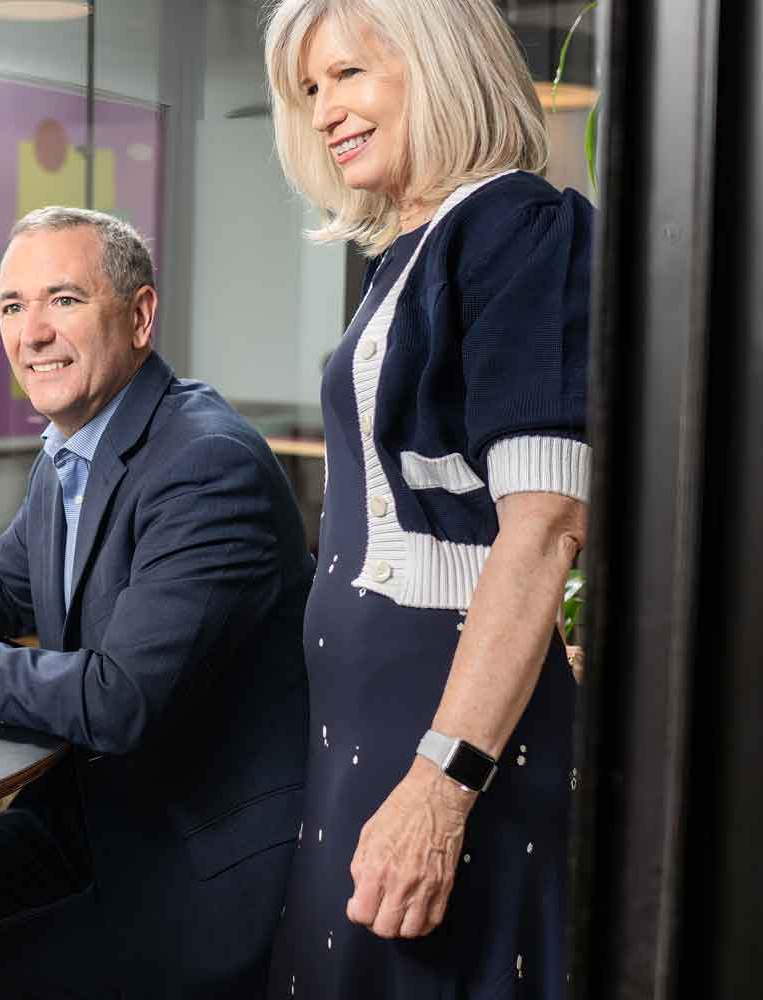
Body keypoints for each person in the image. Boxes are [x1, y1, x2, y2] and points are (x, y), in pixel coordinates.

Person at [0, 206, 313, 999]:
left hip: (186, 880)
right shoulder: (78, 443)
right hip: (86, 828)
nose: (32, 332)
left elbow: (117, 698)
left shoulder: (205, 465)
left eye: (63, 300)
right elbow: (2, 582)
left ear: (139, 317)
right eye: (11, 305)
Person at [259, 1, 595, 997]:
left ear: (441, 68)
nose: (324, 110)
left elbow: (544, 529)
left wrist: (443, 783)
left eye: (350, 74)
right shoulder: (413, 246)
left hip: (444, 728)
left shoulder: (522, 228)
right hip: (368, 726)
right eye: (312, 89)